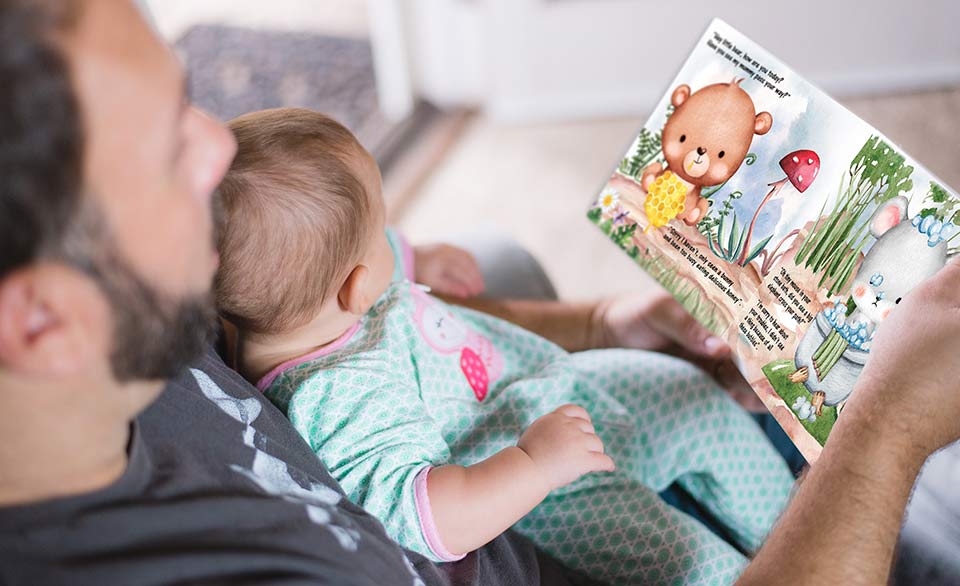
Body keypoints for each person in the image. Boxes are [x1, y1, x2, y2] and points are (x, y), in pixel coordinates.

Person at [0, 1, 958, 585]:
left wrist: (593, 321)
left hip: (564, 405)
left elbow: (376, 317)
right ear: (40, 321)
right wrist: (888, 433)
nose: (219, 151)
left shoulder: (164, 289)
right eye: (167, 145)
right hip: (603, 519)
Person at [213, 107, 794, 584]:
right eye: (382, 231)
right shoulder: (338, 395)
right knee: (696, 568)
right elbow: (426, 516)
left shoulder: (310, 303)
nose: (392, 238)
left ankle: (794, 528)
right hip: (551, 485)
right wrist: (534, 465)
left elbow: (357, 253)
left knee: (690, 393)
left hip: (552, 384)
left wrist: (416, 257)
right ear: (356, 286)